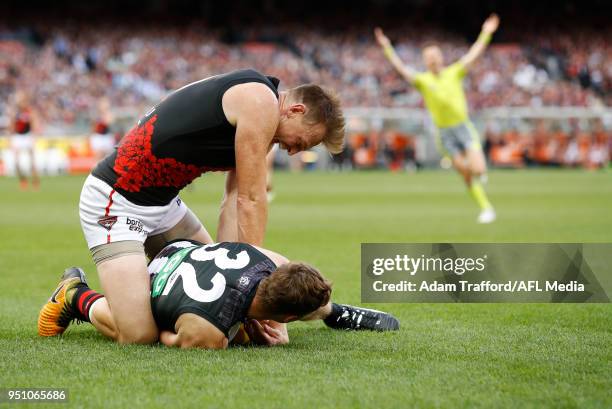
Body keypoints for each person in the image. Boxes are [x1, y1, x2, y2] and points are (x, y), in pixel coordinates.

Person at [38, 68, 346, 345]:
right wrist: (255, 283)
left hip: (165, 206)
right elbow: (251, 200)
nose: (293, 151)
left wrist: (240, 288)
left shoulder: (262, 111)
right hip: (117, 202)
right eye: (302, 142)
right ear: (295, 110)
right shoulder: (259, 102)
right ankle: (74, 294)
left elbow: (232, 202)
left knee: (215, 302)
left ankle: (144, 302)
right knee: (137, 335)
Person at [38, 240, 400, 349]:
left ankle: (333, 313)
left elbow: (279, 288)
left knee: (290, 294)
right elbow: (170, 338)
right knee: (139, 335)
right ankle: (76, 295)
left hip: (182, 249)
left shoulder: (273, 262)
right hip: (154, 277)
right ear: (285, 318)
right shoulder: (209, 335)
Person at [374, 14, 500, 223]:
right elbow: (401, 68)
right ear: (425, 61)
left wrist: (486, 32)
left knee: (478, 169)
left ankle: (480, 175)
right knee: (465, 173)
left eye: (435, 54)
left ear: (441, 56)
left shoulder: (455, 72)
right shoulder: (422, 80)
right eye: (428, 56)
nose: (432, 58)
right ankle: (486, 208)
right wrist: (387, 47)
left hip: (463, 127)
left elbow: (474, 53)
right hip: (444, 133)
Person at [8, 91, 41, 190]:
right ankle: (23, 180)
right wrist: (11, 137)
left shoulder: (30, 111)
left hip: (27, 136)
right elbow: (12, 124)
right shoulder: (15, 112)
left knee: (32, 161)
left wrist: (34, 136)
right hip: (18, 137)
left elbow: (34, 123)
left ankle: (35, 180)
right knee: (16, 162)